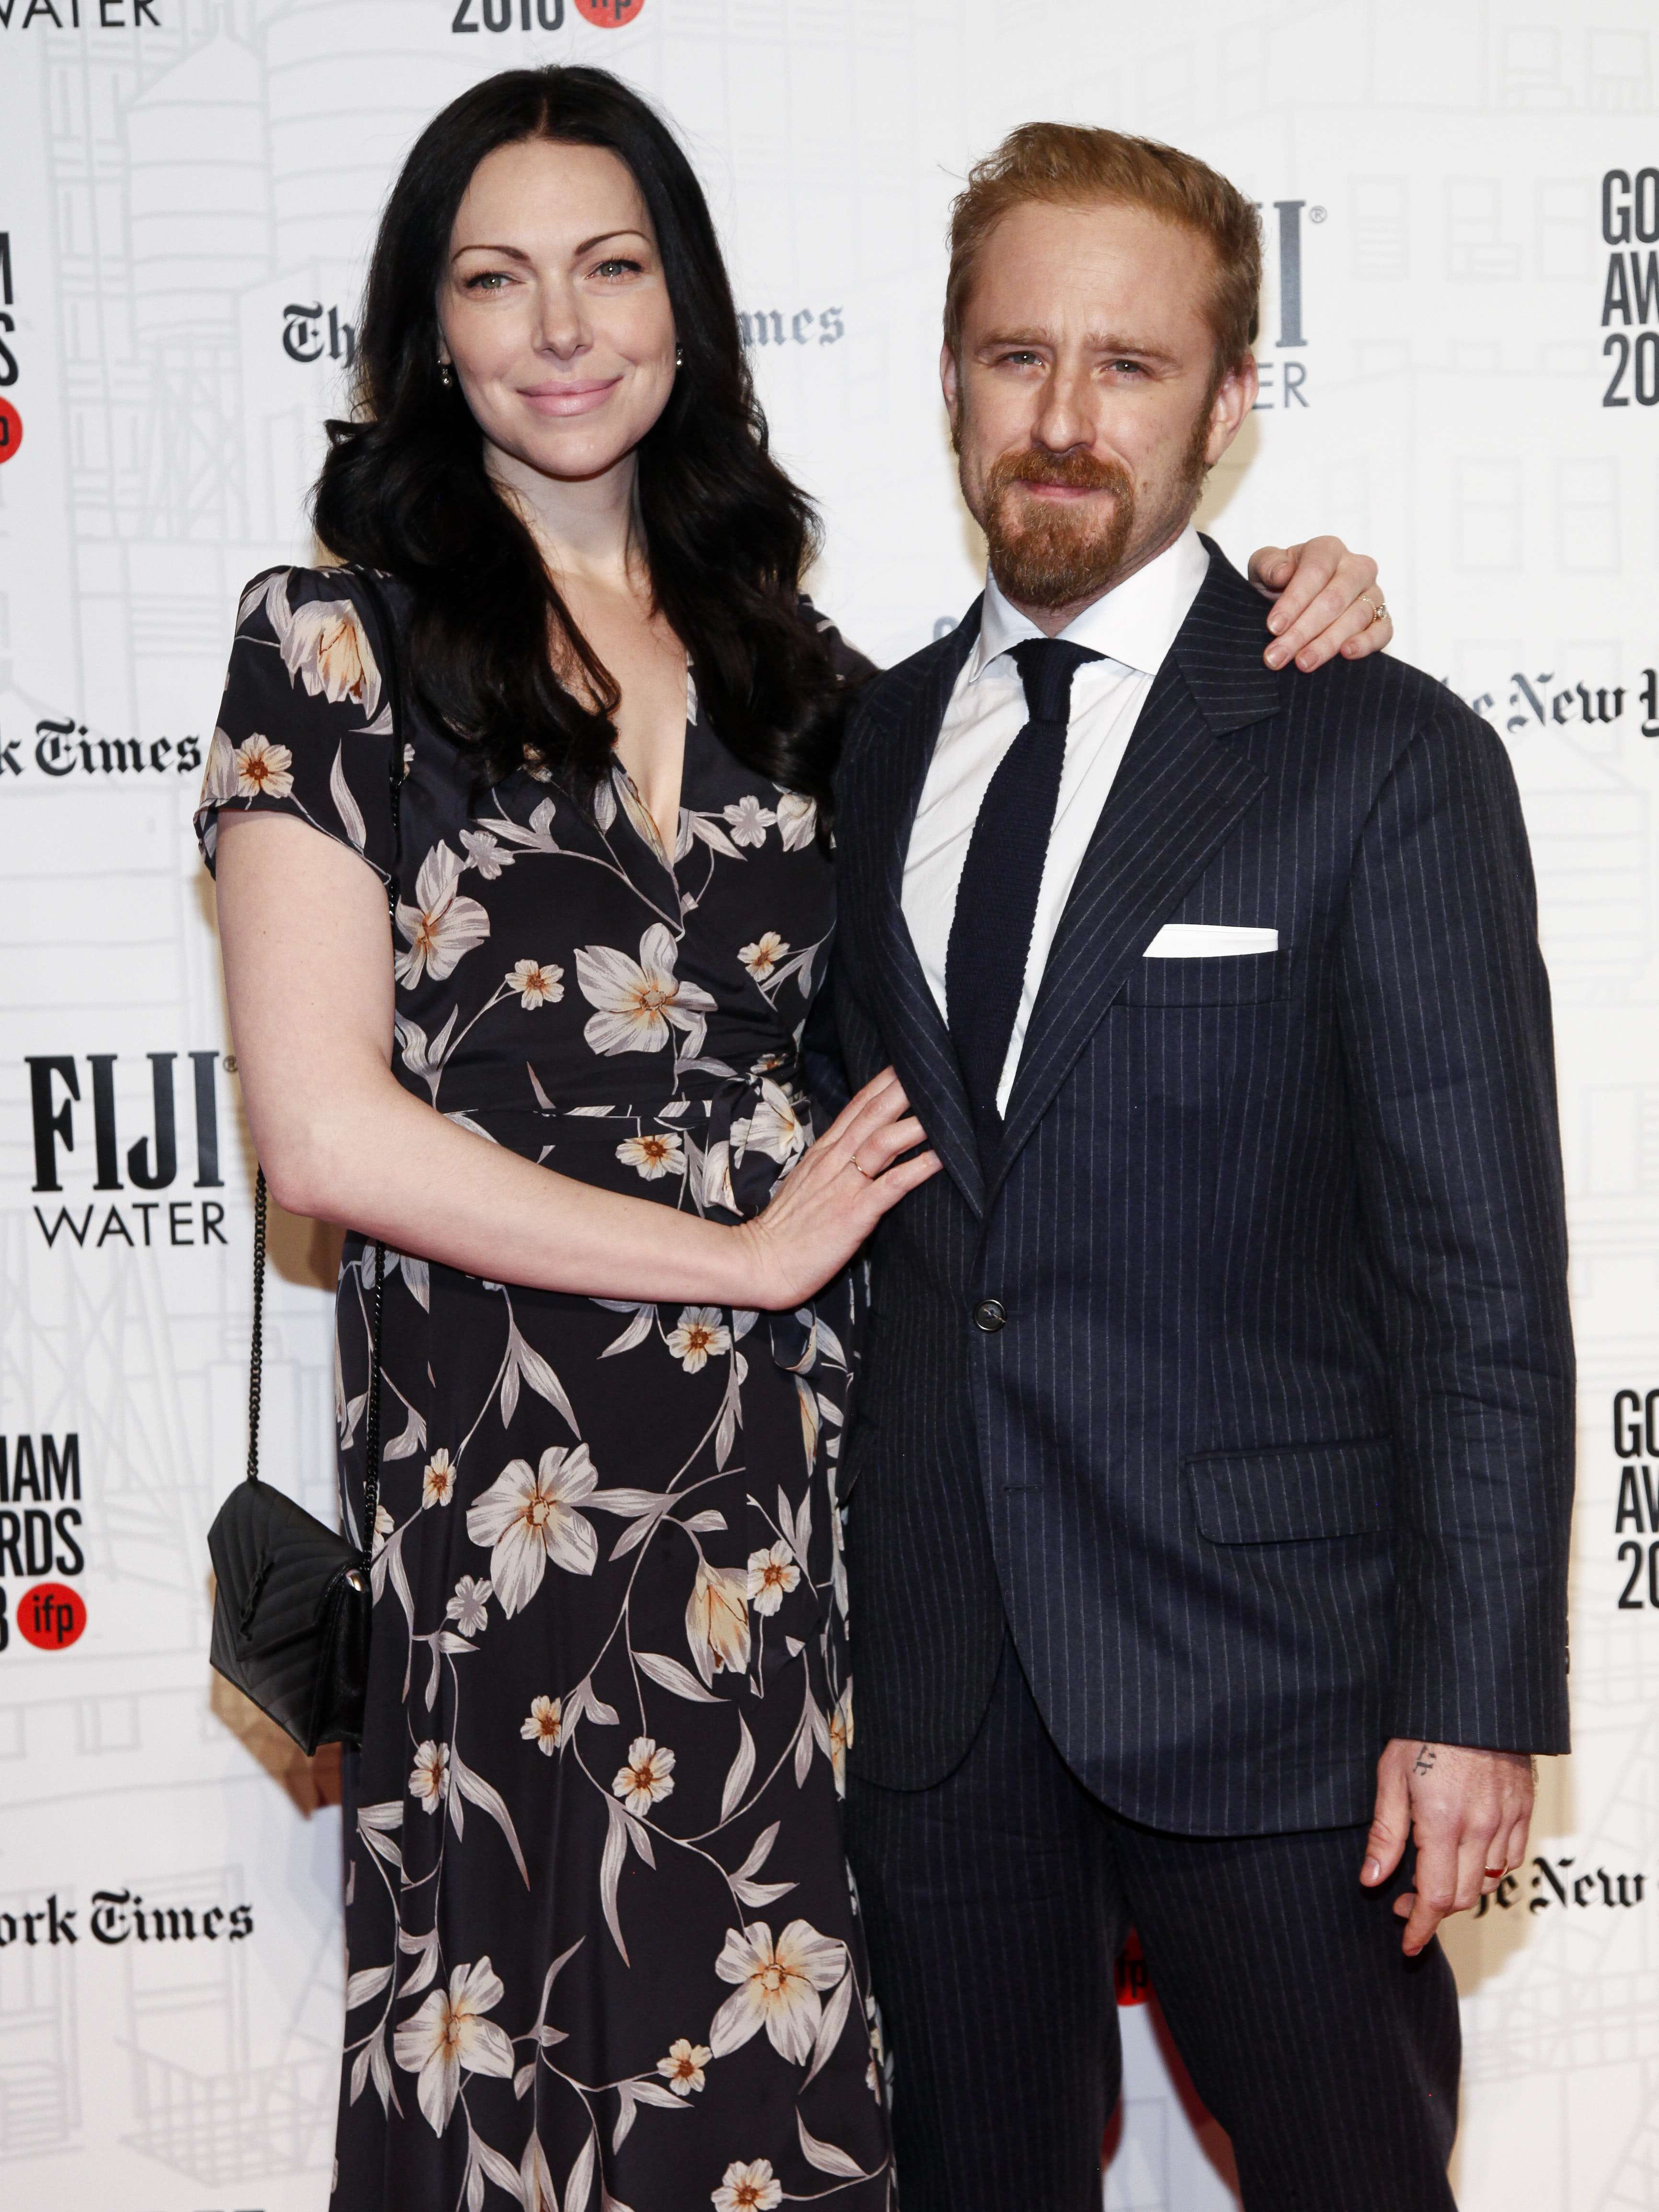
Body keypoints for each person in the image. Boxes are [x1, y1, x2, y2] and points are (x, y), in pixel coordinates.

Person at [197, 68, 1395, 2212]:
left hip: (798, 1525)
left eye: (609, 267)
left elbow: (1075, 748)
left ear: (685, 306)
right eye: (494, 280)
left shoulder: (817, 688)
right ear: (427, 331)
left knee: (780, 2089)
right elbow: (318, 1131)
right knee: (537, 2079)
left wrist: (1284, 594)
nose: (561, 330)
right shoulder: (331, 647)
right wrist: (739, 1258)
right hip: (507, 1500)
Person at [831, 125, 1574, 2212]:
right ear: (952, 378)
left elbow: (1479, 1272)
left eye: (1131, 365)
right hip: (937, 1680)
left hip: (1280, 1683)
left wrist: (1471, 1696)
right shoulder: (867, 745)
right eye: (1017, 356)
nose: (1064, 418)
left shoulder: (1377, 748)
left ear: (1231, 400)